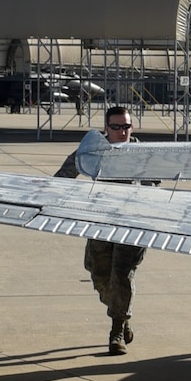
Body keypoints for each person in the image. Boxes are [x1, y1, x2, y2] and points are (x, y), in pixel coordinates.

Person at [55, 106, 147, 356]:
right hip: (101, 223)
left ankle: (116, 330)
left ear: (132, 127)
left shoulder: (143, 153)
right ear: (106, 128)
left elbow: (156, 187)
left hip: (132, 226)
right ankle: (122, 316)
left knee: (121, 275)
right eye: (116, 127)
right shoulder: (94, 150)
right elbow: (64, 176)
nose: (121, 132)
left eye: (126, 127)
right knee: (99, 274)